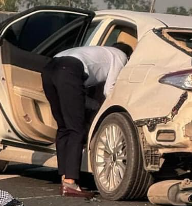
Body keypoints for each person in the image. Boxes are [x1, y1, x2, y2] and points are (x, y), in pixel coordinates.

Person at [41, 42, 133, 197]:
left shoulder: (98, 50)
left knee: (63, 127)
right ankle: (70, 183)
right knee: (76, 129)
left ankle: (64, 177)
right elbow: (109, 89)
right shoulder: (120, 56)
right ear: (128, 56)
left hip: (49, 69)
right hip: (69, 71)